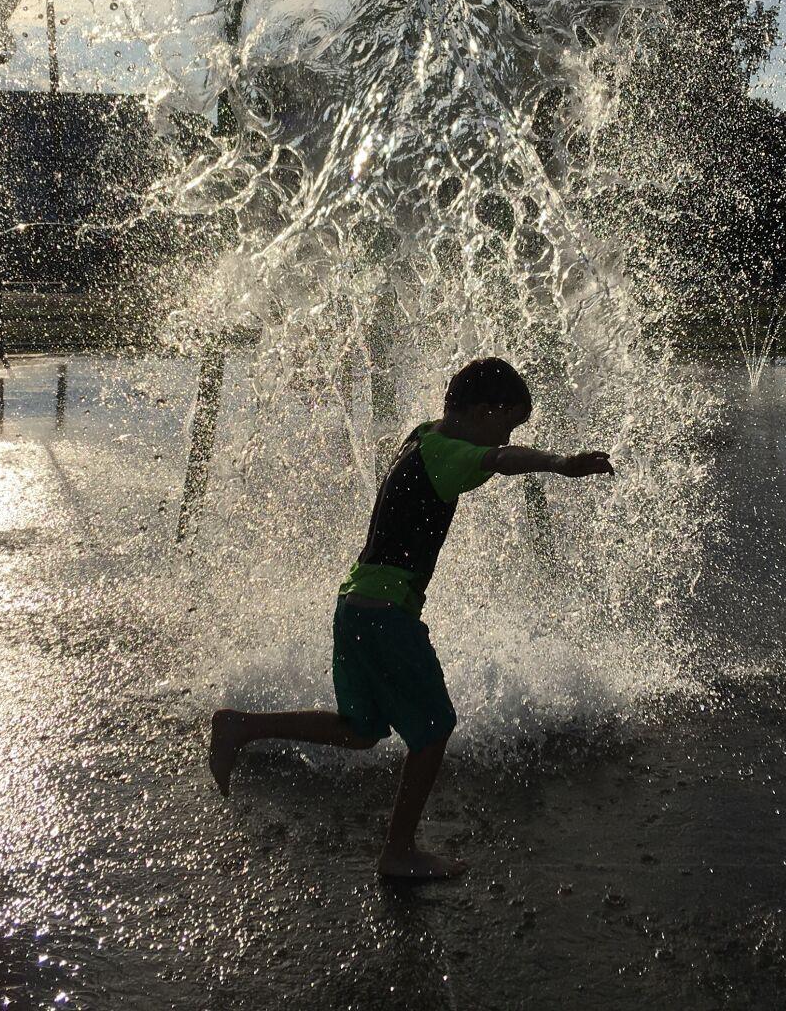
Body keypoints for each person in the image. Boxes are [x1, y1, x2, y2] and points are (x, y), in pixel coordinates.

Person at [209, 356, 613, 881]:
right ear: (482, 412)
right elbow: (501, 459)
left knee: (361, 730)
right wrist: (560, 464)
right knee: (434, 727)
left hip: (355, 604)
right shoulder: (448, 453)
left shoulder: (424, 437)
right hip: (386, 615)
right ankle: (398, 852)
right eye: (507, 422)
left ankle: (242, 726)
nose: (507, 435)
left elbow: (485, 453)